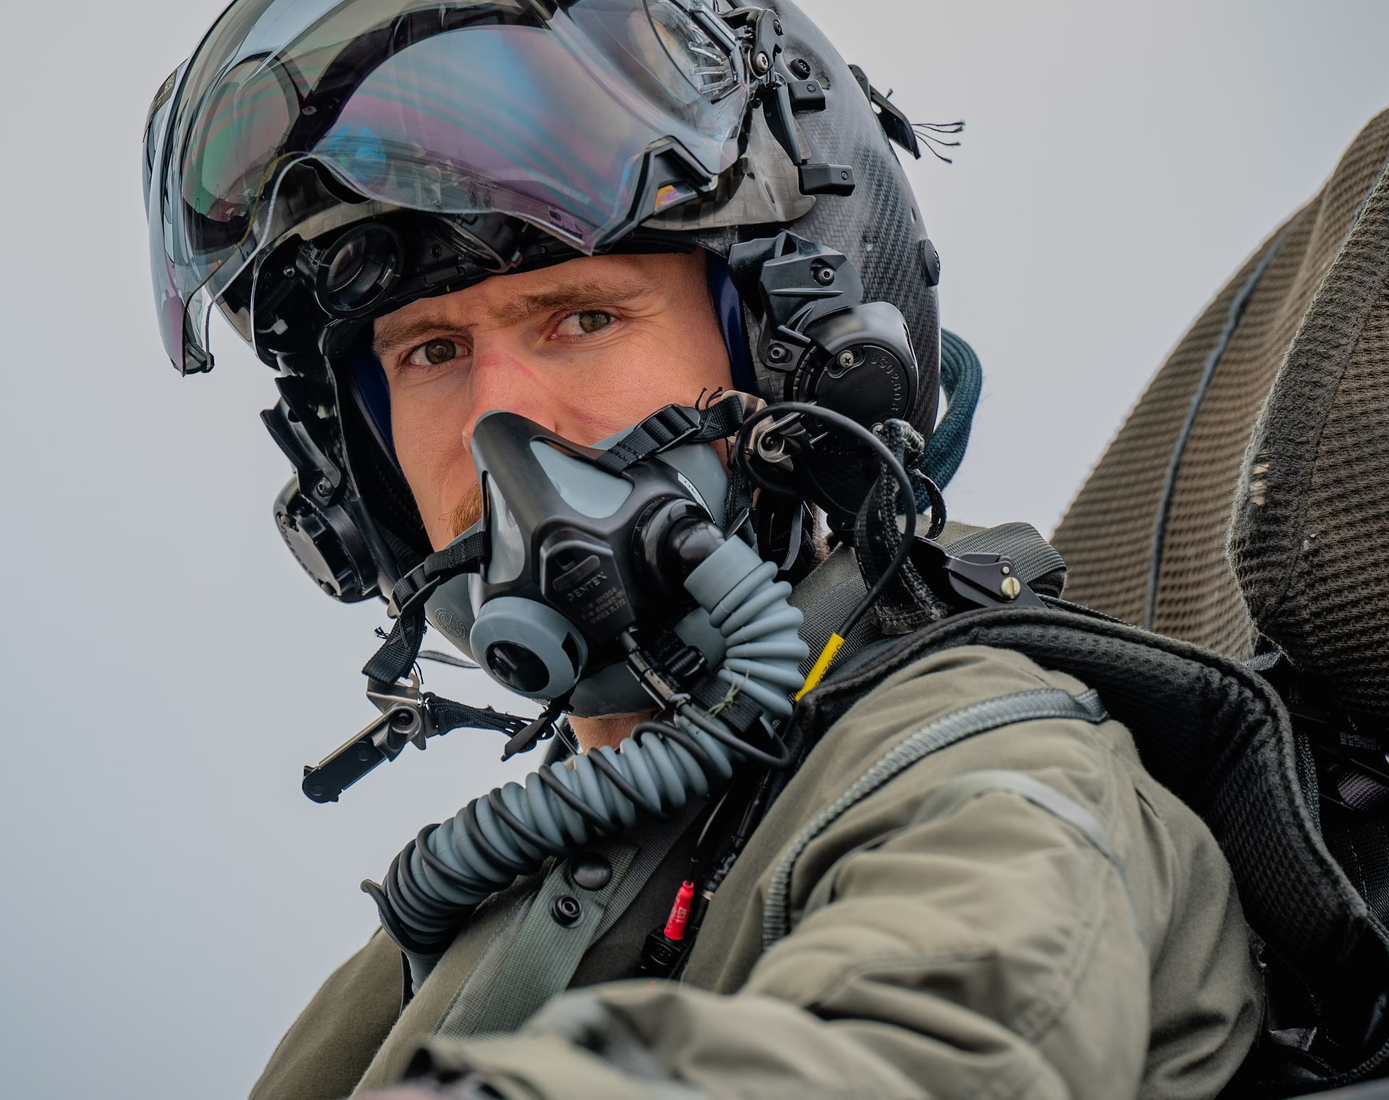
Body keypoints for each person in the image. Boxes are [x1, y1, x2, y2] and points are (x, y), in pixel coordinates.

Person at [144, 2, 1262, 1098]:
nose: (500, 426)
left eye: (580, 318)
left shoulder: (979, 775)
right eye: (432, 350)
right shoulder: (486, 904)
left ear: (794, 367)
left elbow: (924, 1046)